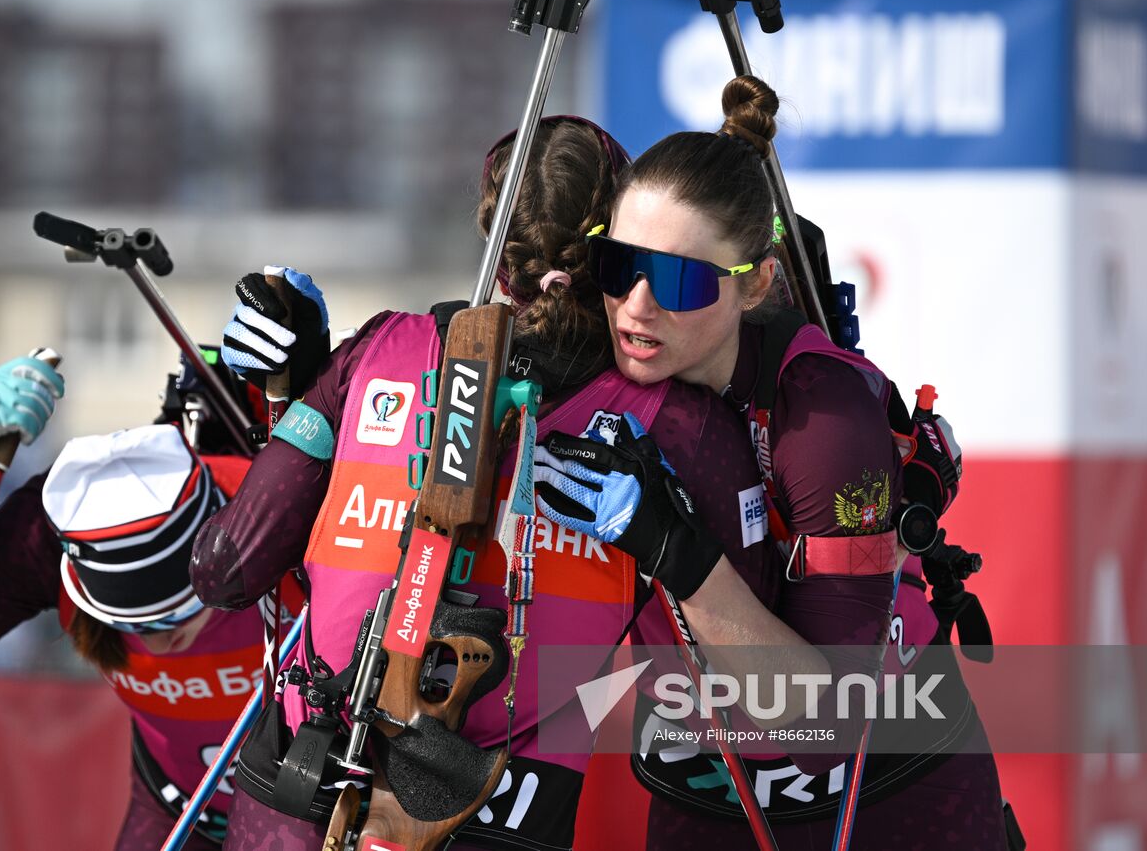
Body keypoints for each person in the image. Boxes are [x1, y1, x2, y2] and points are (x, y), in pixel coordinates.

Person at [189, 115, 771, 851]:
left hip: (304, 780)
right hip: (508, 807)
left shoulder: (380, 349)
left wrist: (298, 393)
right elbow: (760, 690)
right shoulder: (680, 420)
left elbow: (224, 569)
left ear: (493, 238)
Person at [538, 75, 1009, 849]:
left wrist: (674, 553)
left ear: (754, 283)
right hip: (709, 782)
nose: (637, 307)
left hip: (883, 793)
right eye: (619, 267)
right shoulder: (625, 344)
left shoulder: (825, 416)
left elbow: (823, 711)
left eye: (684, 279)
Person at [0, 315, 324, 849]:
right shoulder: (51, 537)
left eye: (177, 610)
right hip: (184, 815)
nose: (159, 639)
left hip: (321, 815)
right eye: (125, 621)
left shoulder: (277, 512)